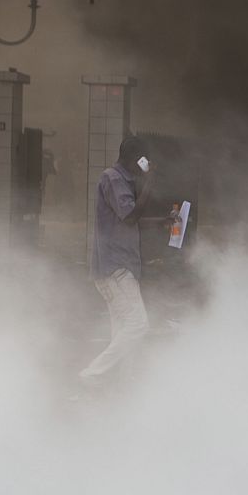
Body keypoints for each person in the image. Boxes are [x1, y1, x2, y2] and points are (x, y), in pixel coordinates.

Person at [80, 135, 163, 385]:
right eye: (143, 160)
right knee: (138, 324)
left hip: (118, 267)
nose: (145, 165)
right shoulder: (114, 179)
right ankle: (93, 373)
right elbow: (129, 216)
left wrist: (163, 222)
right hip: (116, 268)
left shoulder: (120, 181)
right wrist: (150, 183)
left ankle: (122, 384)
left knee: (123, 329)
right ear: (134, 159)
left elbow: (129, 221)